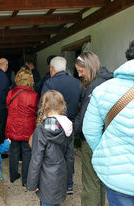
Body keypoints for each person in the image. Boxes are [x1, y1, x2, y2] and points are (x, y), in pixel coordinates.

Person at [82, 35, 134, 206]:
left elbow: (90, 130)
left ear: (129, 57)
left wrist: (106, 153)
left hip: (116, 175)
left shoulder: (103, 89)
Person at [73, 51, 113, 206]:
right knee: (100, 180)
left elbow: (84, 117)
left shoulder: (94, 86)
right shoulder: (108, 80)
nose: (80, 75)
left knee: (90, 182)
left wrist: (73, 131)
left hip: (92, 138)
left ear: (90, 67)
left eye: (81, 71)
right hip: (106, 136)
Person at [41, 56, 83, 193]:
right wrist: (76, 122)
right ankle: (69, 184)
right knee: (68, 155)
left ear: (52, 69)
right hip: (69, 125)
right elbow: (83, 104)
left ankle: (54, 185)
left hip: (52, 126)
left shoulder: (49, 83)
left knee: (53, 156)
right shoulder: (77, 83)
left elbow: (43, 106)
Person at [26, 90, 74, 206]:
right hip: (61, 175)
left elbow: (36, 160)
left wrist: (32, 184)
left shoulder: (41, 130)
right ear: (62, 105)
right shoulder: (68, 126)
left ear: (43, 107)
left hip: (45, 179)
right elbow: (70, 156)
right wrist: (68, 180)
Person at [5, 66, 39, 186]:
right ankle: (26, 180)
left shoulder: (11, 93)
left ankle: (13, 176)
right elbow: (36, 111)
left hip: (13, 125)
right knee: (27, 153)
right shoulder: (34, 95)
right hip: (27, 127)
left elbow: (8, 107)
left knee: (13, 151)